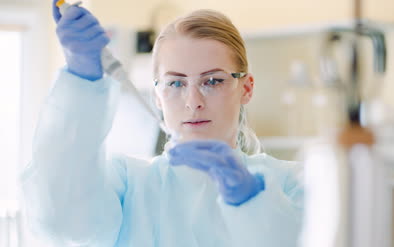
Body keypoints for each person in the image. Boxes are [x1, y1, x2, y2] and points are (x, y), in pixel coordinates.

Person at [19, 1, 304, 246]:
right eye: (176, 83)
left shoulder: (292, 185)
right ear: (157, 97)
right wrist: (81, 77)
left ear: (246, 88)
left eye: (213, 81)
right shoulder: (129, 186)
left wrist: (252, 202)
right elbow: (61, 218)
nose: (193, 102)